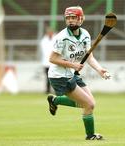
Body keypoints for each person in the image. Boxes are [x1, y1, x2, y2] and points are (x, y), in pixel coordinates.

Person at [47, 6, 110, 140]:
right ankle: (90, 135)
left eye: (73, 18)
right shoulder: (62, 37)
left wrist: (99, 69)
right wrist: (73, 64)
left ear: (81, 19)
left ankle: (55, 100)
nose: (70, 21)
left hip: (72, 73)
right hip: (59, 77)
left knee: (90, 103)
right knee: (89, 105)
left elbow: (90, 57)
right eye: (68, 18)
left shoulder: (85, 35)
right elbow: (52, 59)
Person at [40, 26, 55, 94]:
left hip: (55, 62)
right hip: (46, 62)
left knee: (56, 77)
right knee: (48, 77)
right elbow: (45, 52)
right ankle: (47, 90)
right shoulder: (44, 41)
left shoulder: (56, 39)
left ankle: (56, 90)